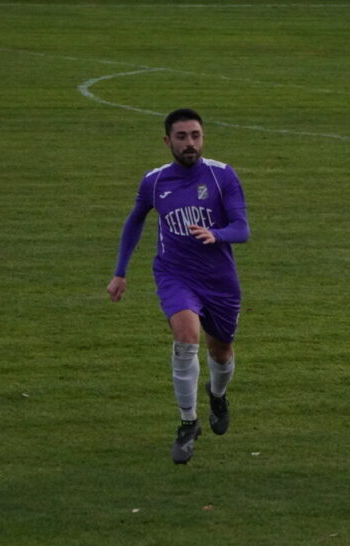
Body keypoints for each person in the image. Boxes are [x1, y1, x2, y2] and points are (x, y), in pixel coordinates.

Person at [108, 108, 250, 465]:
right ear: (167, 140)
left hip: (219, 280)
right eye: (183, 136)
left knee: (221, 352)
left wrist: (215, 234)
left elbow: (242, 229)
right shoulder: (154, 182)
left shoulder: (222, 176)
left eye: (196, 135)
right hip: (175, 275)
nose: (190, 143)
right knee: (186, 337)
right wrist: (120, 271)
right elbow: (134, 221)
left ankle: (217, 395)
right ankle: (188, 423)